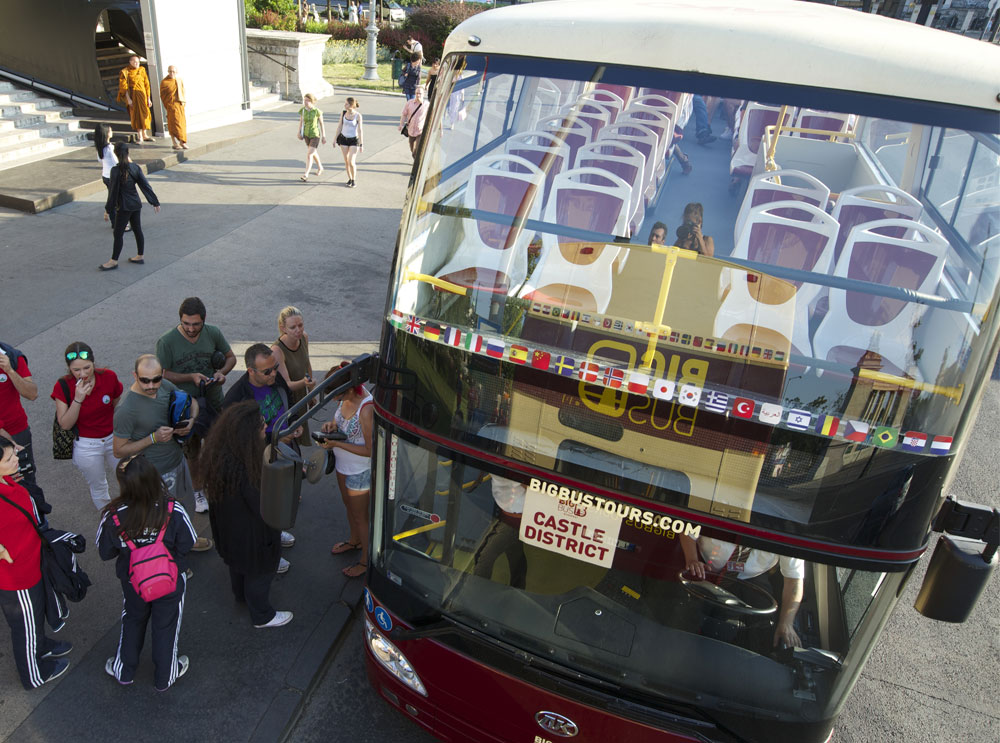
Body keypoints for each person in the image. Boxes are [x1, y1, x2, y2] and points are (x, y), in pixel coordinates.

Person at [97, 455, 195, 689]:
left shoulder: (113, 515)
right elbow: (188, 541)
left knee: (133, 620)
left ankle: (124, 670)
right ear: (155, 479)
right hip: (170, 580)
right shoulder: (173, 508)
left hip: (133, 582)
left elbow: (105, 552)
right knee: (166, 625)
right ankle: (166, 675)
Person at [200, 402, 292, 628]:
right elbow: (264, 507)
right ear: (248, 434)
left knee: (238, 567)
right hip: (252, 536)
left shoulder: (221, 456)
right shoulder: (247, 470)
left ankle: (240, 595)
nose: (266, 426)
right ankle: (263, 616)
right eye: (262, 425)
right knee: (259, 574)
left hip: (228, 530)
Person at [112, 354, 213, 553]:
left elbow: (191, 402)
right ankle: (171, 557)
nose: (151, 385)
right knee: (161, 518)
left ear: (162, 375)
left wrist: (191, 420)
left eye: (156, 379)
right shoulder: (127, 409)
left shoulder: (165, 386)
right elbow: (118, 450)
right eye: (145, 380)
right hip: (154, 474)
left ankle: (186, 539)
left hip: (177, 462)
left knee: (185, 506)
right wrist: (153, 439)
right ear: (135, 375)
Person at [0, 438, 72, 690]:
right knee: (23, 626)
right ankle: (34, 674)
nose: (16, 459)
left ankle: (40, 644)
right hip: (15, 577)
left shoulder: (8, 481)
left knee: (33, 617)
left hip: (31, 563)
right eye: (8, 459)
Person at [156, 297, 236, 512]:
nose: (191, 329)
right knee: (192, 451)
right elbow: (161, 374)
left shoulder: (213, 333)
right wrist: (190, 376)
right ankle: (198, 490)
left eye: (196, 324)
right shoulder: (167, 342)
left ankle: (217, 484)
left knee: (217, 445)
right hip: (184, 407)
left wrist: (221, 373)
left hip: (213, 401)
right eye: (186, 323)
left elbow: (231, 358)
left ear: (204, 321)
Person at [223, 344, 299, 560]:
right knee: (261, 506)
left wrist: (294, 423)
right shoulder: (235, 399)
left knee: (279, 499)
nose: (274, 373)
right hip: (256, 461)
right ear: (250, 371)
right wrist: (273, 437)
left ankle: (274, 531)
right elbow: (236, 440)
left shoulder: (274, 379)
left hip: (282, 452)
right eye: (267, 371)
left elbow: (289, 403)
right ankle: (270, 552)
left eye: (274, 367)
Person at [680, 533, 804, 648]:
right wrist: (692, 559)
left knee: (764, 631)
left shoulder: (787, 530)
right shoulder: (722, 509)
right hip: (707, 569)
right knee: (688, 620)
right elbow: (688, 529)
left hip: (753, 577)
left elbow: (793, 580)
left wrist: (787, 623)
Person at [51, 342, 123, 510]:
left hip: (113, 438)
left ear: (93, 363)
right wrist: (78, 399)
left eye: (87, 368)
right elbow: (65, 424)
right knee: (99, 486)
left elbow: (115, 400)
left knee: (127, 477)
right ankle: (109, 520)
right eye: (76, 370)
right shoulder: (62, 386)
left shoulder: (108, 377)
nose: (82, 374)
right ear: (69, 369)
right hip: (86, 444)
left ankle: (133, 514)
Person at [319, 361, 372, 578]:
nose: (333, 400)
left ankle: (366, 562)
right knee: (348, 507)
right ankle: (354, 541)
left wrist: (337, 444)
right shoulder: (347, 397)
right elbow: (339, 419)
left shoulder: (366, 409)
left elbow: (370, 450)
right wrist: (331, 426)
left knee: (361, 517)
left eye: (335, 395)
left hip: (359, 472)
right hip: (343, 466)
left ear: (349, 388)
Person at [0, 340, 50, 519]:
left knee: (26, 478)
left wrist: (10, 371)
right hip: (5, 436)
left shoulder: (11, 356)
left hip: (18, 431)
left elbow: (32, 393)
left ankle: (38, 521)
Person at [101, 142, 160, 271]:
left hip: (124, 206)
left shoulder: (115, 171)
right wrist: (154, 201)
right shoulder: (135, 167)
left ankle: (113, 261)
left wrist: (108, 210)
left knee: (118, 233)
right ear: (128, 153)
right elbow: (145, 185)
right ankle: (140, 255)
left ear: (116, 154)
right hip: (135, 204)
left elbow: (113, 192)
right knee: (137, 229)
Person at [470, 475, 527, 589]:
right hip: (504, 510)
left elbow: (534, 485)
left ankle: (476, 592)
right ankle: (518, 589)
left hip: (515, 516)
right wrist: (478, 480)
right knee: (515, 553)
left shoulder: (518, 461)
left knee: (484, 556)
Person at [271, 307, 314, 446]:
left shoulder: (304, 338)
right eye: (293, 327)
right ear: (283, 328)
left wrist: (311, 393)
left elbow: (307, 365)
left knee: (299, 435)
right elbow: (287, 384)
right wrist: (305, 383)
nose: (298, 330)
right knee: (290, 440)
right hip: (287, 400)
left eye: (300, 325)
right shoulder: (277, 350)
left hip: (301, 394)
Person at [94, 123, 124, 231]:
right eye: (110, 130)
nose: (112, 132)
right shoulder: (111, 148)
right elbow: (117, 162)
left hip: (106, 176)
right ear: (107, 134)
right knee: (118, 201)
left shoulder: (100, 148)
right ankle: (118, 223)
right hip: (114, 177)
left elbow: (100, 160)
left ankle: (114, 221)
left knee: (113, 198)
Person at [117, 55, 153, 143]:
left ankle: (145, 135)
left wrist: (148, 98)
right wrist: (128, 99)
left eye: (138, 62)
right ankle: (140, 136)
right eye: (134, 62)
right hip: (133, 97)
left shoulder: (142, 70)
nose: (136, 63)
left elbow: (147, 85)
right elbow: (123, 87)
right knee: (136, 116)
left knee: (145, 115)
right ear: (130, 62)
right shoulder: (125, 72)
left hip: (143, 96)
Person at [334, 97, 363, 188]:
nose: (344, 105)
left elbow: (360, 130)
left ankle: (353, 179)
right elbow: (339, 126)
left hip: (354, 140)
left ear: (351, 105)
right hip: (343, 139)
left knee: (351, 161)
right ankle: (349, 178)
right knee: (346, 161)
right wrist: (335, 139)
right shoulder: (343, 113)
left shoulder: (358, 115)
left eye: (346, 104)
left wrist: (361, 144)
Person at [297, 93, 326, 181]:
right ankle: (320, 167)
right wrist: (299, 132)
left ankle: (306, 174)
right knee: (313, 153)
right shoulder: (302, 110)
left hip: (315, 135)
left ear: (312, 101)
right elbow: (301, 122)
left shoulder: (317, 111)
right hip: (306, 134)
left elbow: (321, 124)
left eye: (307, 100)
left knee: (309, 154)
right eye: (304, 100)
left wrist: (324, 136)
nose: (305, 102)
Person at [159, 65, 188, 150]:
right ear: (168, 71)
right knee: (173, 124)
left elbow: (182, 92)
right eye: (170, 71)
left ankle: (182, 142)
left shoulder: (179, 80)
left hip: (179, 105)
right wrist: (168, 105)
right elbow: (163, 96)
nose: (172, 73)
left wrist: (183, 102)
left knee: (181, 124)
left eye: (173, 71)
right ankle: (174, 143)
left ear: (176, 72)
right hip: (171, 106)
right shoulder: (165, 82)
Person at [399, 84, 427, 160]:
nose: (418, 95)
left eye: (420, 93)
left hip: (420, 130)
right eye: (417, 93)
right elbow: (404, 114)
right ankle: (416, 159)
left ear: (423, 94)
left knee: (417, 149)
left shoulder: (426, 105)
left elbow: (431, 117)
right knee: (412, 148)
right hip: (411, 130)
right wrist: (401, 124)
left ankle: (417, 163)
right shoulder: (409, 103)